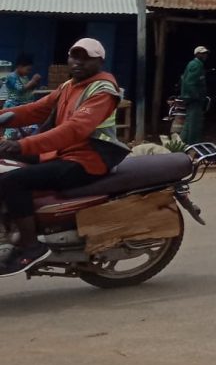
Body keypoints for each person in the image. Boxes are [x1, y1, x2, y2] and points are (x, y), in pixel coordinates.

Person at [0, 38, 127, 277]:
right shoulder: (69, 85)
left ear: (100, 61)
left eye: (85, 58)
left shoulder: (102, 91)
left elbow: (74, 129)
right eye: (74, 56)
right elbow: (36, 110)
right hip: (63, 152)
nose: (78, 62)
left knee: (13, 180)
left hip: (87, 159)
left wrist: (22, 144)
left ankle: (31, 245)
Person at [1, 54, 42, 140]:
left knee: (31, 128)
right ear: (19, 66)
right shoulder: (11, 76)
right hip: (14, 107)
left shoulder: (24, 77)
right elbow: (21, 89)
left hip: (24, 107)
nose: (28, 72)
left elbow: (28, 89)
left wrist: (35, 84)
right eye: (28, 69)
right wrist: (33, 81)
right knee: (13, 130)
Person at [180, 46, 210, 144]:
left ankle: (182, 143)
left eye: (206, 53)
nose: (205, 55)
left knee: (189, 122)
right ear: (197, 54)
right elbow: (189, 83)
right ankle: (193, 144)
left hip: (191, 98)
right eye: (203, 53)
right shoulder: (196, 65)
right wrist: (196, 96)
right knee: (194, 123)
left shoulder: (195, 64)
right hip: (193, 99)